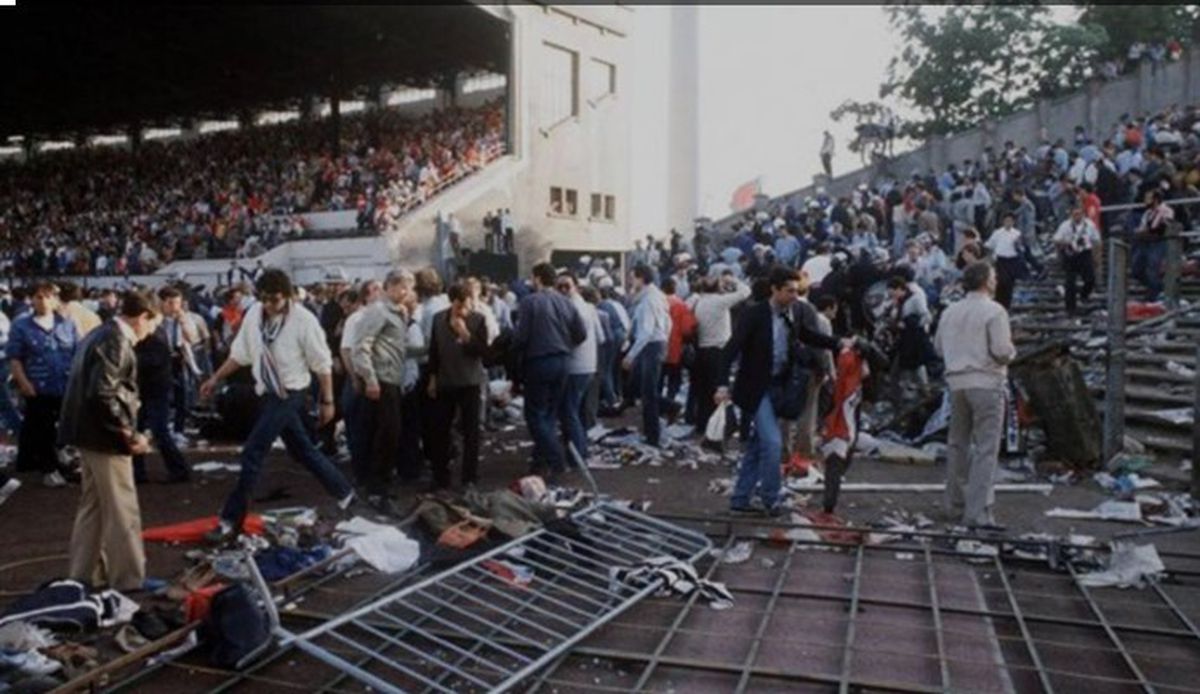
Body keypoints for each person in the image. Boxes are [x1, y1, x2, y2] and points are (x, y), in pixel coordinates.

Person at [200, 269, 356, 542]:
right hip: (267, 391)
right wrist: (215, 378)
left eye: (275, 300)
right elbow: (241, 355)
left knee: (253, 452)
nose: (270, 305)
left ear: (288, 296)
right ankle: (345, 492)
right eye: (265, 299)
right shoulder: (255, 315)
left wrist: (328, 401)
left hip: (291, 392)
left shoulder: (304, 320)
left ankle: (229, 521)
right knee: (302, 450)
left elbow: (322, 364)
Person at [717, 266, 848, 515]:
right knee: (773, 443)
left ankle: (740, 499)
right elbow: (731, 349)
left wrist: (838, 343)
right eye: (789, 291)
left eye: (796, 291)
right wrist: (722, 384)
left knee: (759, 445)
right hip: (757, 388)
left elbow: (808, 336)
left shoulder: (794, 312)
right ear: (774, 290)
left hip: (781, 386)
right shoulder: (754, 315)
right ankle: (771, 499)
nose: (793, 296)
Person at [60, 291, 160, 591]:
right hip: (104, 436)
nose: (153, 332)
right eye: (154, 324)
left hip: (86, 433)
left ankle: (83, 573)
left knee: (94, 505)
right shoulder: (115, 341)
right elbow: (103, 394)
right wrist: (128, 435)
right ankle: (129, 578)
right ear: (143, 317)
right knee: (121, 508)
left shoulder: (99, 334)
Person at [933, 262, 1015, 530]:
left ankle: (953, 505)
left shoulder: (950, 311)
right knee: (985, 449)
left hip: (956, 383)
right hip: (986, 381)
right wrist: (1011, 354)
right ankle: (977, 512)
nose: (995, 280)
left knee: (957, 444)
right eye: (993, 276)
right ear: (985, 281)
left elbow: (938, 347)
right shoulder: (995, 310)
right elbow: (1002, 350)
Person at [514, 262, 585, 476]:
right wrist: (565, 343)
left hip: (539, 361)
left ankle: (555, 458)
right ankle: (540, 459)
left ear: (537, 279)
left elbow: (521, 337)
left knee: (535, 414)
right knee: (550, 414)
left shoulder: (529, 303)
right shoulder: (566, 303)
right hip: (563, 361)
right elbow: (580, 333)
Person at [351, 270, 414, 510]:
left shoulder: (398, 312)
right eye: (401, 287)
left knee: (385, 433)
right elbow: (361, 346)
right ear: (389, 287)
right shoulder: (379, 311)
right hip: (382, 380)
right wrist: (370, 379)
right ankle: (377, 488)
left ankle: (378, 485)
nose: (405, 292)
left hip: (391, 378)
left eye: (408, 288)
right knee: (387, 433)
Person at [10, 282, 79, 487]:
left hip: (65, 385)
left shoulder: (67, 324)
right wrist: (23, 382)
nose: (44, 301)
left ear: (56, 299)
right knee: (43, 429)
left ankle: (57, 463)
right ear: (31, 299)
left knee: (66, 428)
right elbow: (15, 358)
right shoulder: (21, 325)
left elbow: (77, 354)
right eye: (39, 297)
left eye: (49, 297)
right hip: (38, 386)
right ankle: (49, 470)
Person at [427, 282, 489, 489]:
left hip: (470, 382)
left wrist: (464, 333)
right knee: (440, 430)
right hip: (445, 381)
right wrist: (433, 378)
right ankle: (440, 476)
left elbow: (482, 351)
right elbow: (434, 351)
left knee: (472, 432)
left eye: (467, 304)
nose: (463, 310)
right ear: (452, 302)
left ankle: (469, 477)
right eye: (459, 305)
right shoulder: (438, 320)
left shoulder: (478, 320)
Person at [132, 304, 191, 484]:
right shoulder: (155, 335)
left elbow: (153, 361)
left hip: (154, 389)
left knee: (158, 431)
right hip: (149, 388)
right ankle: (139, 472)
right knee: (142, 430)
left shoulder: (156, 337)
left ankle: (178, 469)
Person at [688, 274, 750, 433]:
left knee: (704, 392)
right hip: (719, 351)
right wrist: (733, 279)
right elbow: (745, 291)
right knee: (720, 390)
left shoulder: (699, 302)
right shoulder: (720, 302)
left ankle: (703, 425)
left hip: (702, 350)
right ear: (718, 288)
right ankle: (725, 426)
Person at [556, 272, 602, 464]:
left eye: (567, 286)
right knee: (576, 410)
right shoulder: (587, 307)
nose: (563, 290)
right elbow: (601, 337)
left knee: (569, 410)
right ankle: (578, 448)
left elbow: (573, 337)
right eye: (560, 286)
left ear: (576, 286)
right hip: (587, 364)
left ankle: (577, 453)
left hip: (576, 365)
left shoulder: (573, 307)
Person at [623, 265, 671, 447]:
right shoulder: (657, 296)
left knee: (647, 393)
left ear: (641, 278)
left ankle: (653, 436)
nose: (630, 281)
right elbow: (668, 322)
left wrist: (630, 356)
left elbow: (646, 332)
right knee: (644, 389)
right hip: (656, 344)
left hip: (650, 346)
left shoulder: (648, 300)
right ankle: (665, 414)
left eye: (632, 277)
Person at [1052, 206, 1101, 315]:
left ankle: (1084, 295)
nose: (1077, 217)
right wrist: (1065, 244)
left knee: (1090, 278)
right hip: (1070, 254)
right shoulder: (1065, 225)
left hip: (1085, 253)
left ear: (1083, 214)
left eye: (1079, 214)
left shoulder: (1089, 225)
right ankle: (1070, 309)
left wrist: (1097, 257)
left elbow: (1096, 240)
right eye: (1075, 214)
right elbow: (1056, 239)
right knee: (1070, 283)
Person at [1132, 191, 1174, 301]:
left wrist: (1148, 230)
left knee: (1152, 268)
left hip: (1158, 242)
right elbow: (1142, 228)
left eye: (1148, 198)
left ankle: (1153, 293)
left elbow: (1163, 227)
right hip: (1145, 242)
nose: (1145, 201)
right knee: (1136, 269)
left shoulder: (1166, 210)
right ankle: (1155, 286)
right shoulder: (1147, 213)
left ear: (1155, 200)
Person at [984, 213, 1024, 310]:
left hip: (1012, 260)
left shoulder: (1017, 234)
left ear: (1013, 222)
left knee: (1010, 284)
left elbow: (1022, 248)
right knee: (1000, 283)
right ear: (1003, 222)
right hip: (1001, 260)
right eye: (1006, 221)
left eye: (1010, 221)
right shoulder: (997, 233)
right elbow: (989, 245)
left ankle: (1007, 306)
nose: (1008, 223)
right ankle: (998, 304)